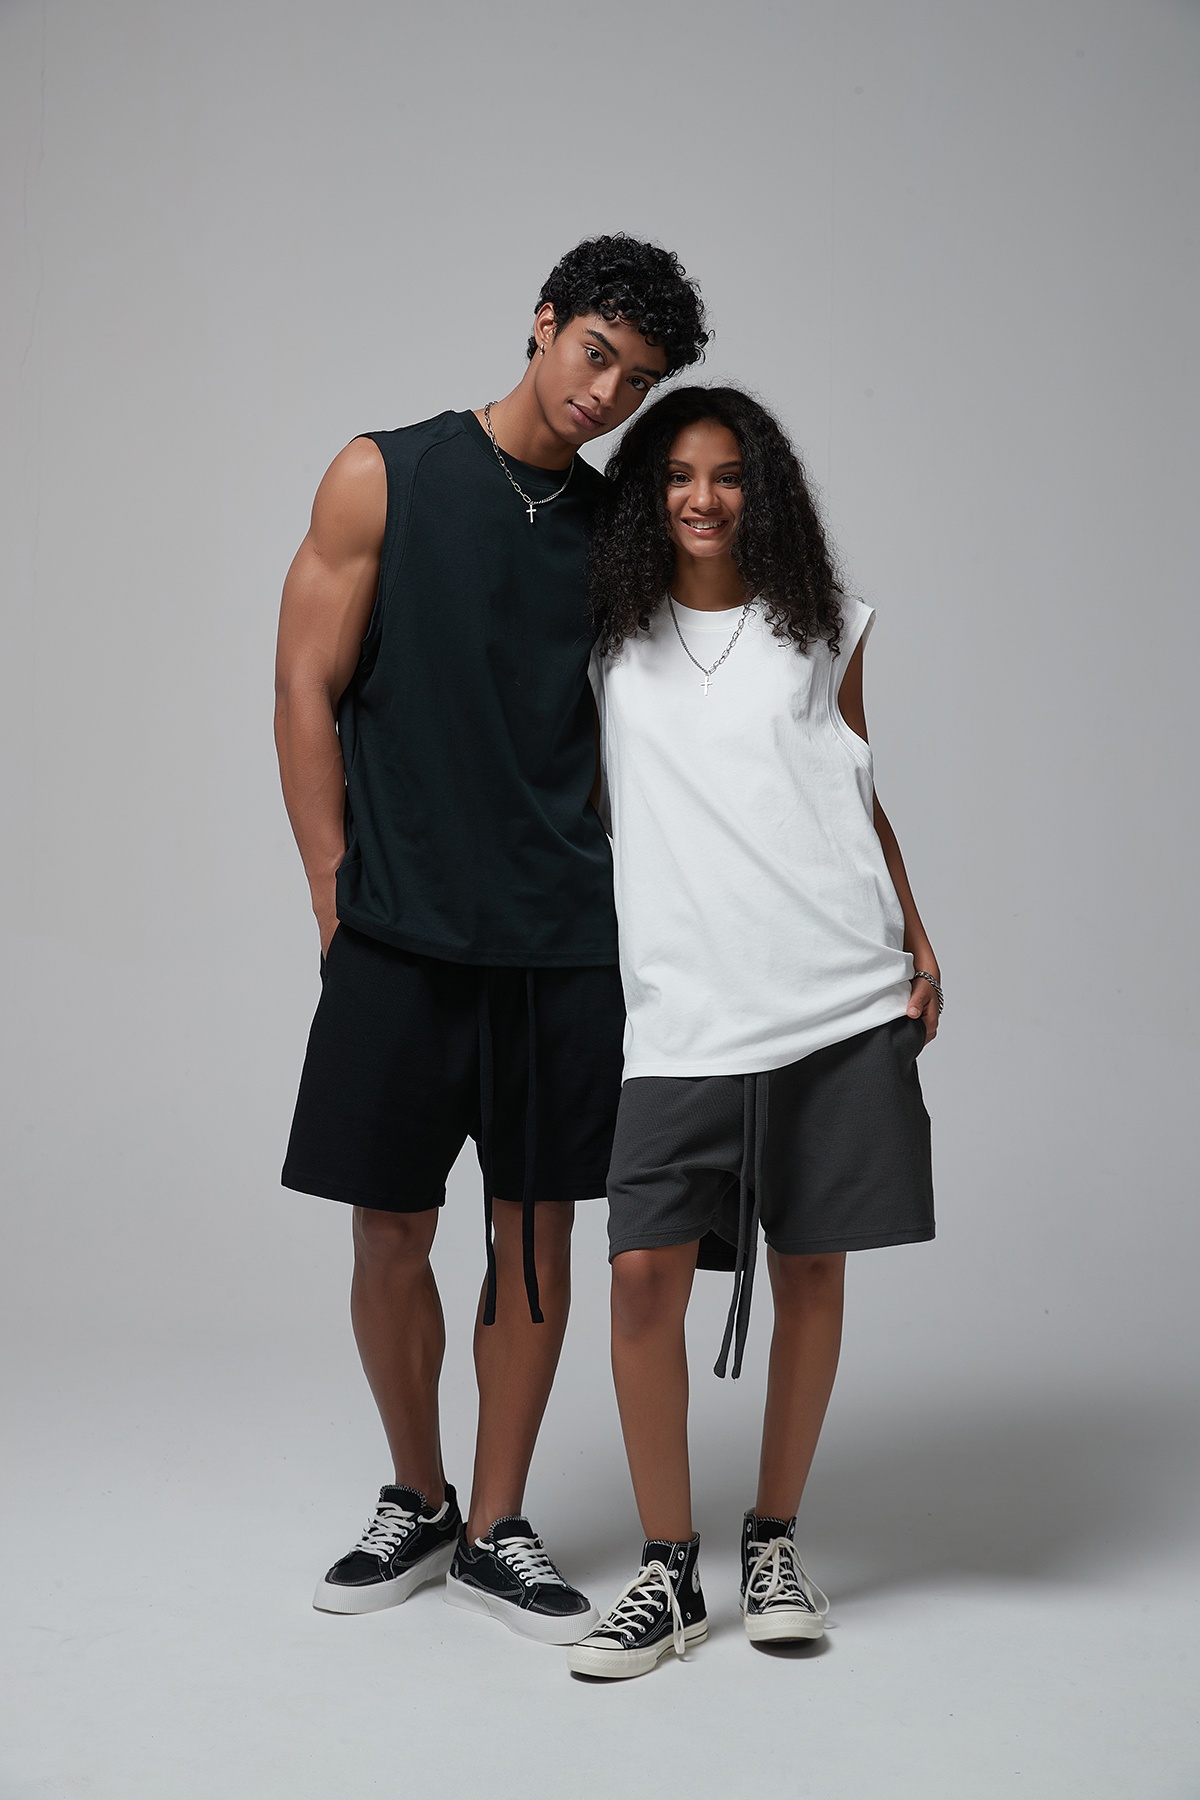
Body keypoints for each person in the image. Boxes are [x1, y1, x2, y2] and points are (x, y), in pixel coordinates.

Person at [273, 237, 708, 1644]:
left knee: (533, 1239)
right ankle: (416, 1492)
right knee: (389, 1233)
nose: (606, 395)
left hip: (559, 943)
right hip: (399, 934)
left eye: (636, 383)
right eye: (596, 355)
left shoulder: (621, 534)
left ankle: (494, 1525)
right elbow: (302, 681)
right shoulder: (383, 475)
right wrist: (334, 896)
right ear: (543, 322)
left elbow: (675, 719)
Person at [568, 386, 940, 1679]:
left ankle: (774, 1540)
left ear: (760, 489)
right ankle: (668, 1571)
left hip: (831, 985)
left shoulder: (825, 627)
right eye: (678, 475)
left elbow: (857, 791)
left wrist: (918, 935)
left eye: (728, 475)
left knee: (812, 1268)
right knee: (642, 1277)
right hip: (684, 1004)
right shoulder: (608, 637)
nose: (704, 498)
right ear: (647, 494)